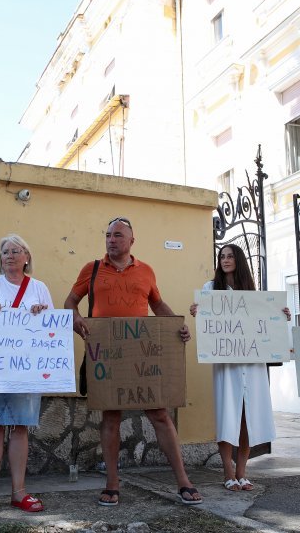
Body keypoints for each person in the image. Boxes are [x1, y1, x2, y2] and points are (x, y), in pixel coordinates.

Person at [65, 216, 202, 506]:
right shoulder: (92, 269)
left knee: (160, 415)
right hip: (107, 353)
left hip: (141, 352)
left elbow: (157, 304)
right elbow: (70, 302)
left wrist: (177, 324)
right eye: (107, 235)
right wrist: (76, 320)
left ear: (131, 241)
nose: (111, 239)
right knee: (110, 417)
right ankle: (112, 484)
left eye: (117, 235)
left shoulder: (147, 271)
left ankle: (183, 480)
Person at [189, 244, 291, 491]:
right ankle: (227, 471)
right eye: (222, 257)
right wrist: (198, 312)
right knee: (228, 416)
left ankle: (242, 472)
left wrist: (281, 315)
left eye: (230, 256)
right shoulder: (210, 289)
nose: (225, 260)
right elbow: (207, 319)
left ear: (238, 260)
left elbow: (266, 322)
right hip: (227, 365)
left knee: (249, 417)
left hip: (253, 365)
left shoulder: (253, 294)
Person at [0, 234, 53, 515]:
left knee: (19, 428)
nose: (10, 255)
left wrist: (41, 312)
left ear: (26, 257)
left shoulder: (39, 288)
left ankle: (20, 493)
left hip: (25, 371)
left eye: (16, 251)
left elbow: (52, 330)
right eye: (5, 251)